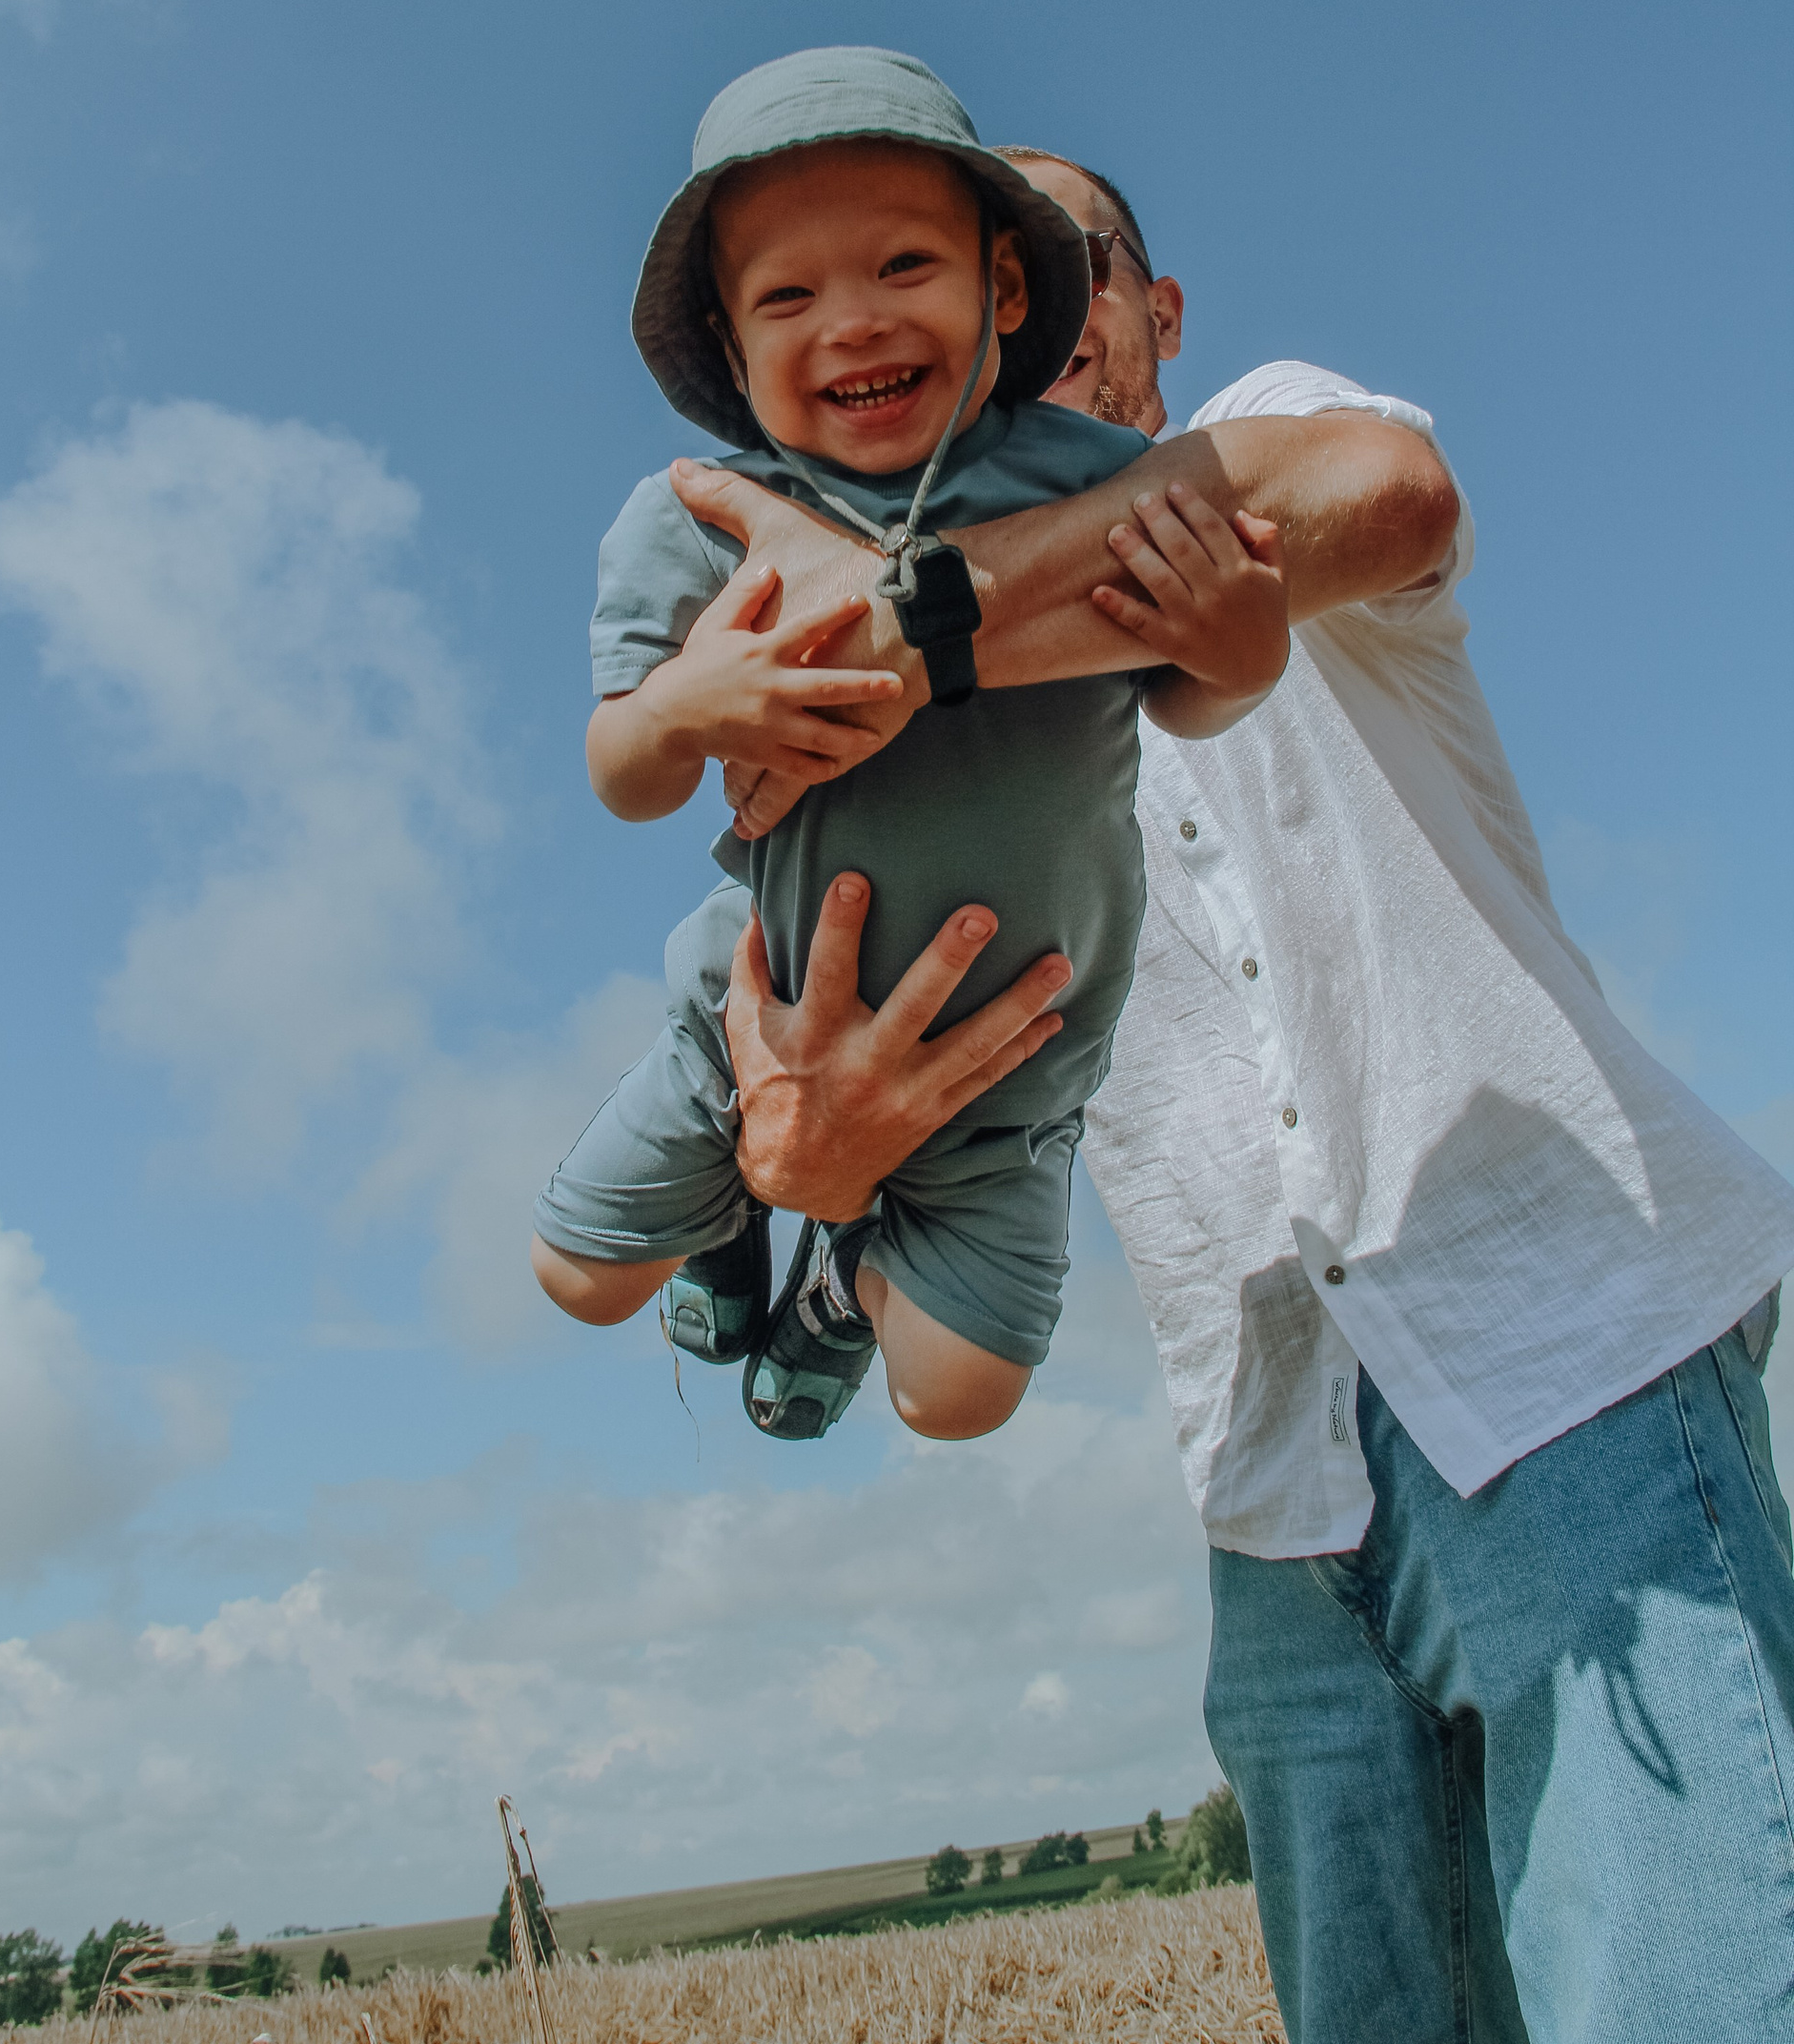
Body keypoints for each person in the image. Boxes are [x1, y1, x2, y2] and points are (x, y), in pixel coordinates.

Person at [663, 153, 1794, 2044]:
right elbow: (919, 1144)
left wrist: (907, 622)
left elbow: (1386, 490)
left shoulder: (1255, 430)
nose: (1026, 317)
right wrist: (822, 1175)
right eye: (984, 288)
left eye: (1064, 267)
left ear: (1158, 313)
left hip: (1568, 1348)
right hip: (1269, 1494)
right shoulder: (935, 785)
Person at [531, 49, 1289, 1446]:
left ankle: (840, 1286)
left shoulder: (1089, 484)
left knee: (956, 1402)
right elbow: (622, 769)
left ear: (1004, 292)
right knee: (578, 1280)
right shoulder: (700, 517)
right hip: (759, 1018)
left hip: (1013, 1076)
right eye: (788, 297)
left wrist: (1245, 646)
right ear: (731, 345)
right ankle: (732, 1199)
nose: (854, 321)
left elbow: (1185, 696)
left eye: (902, 266)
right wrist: (684, 710)